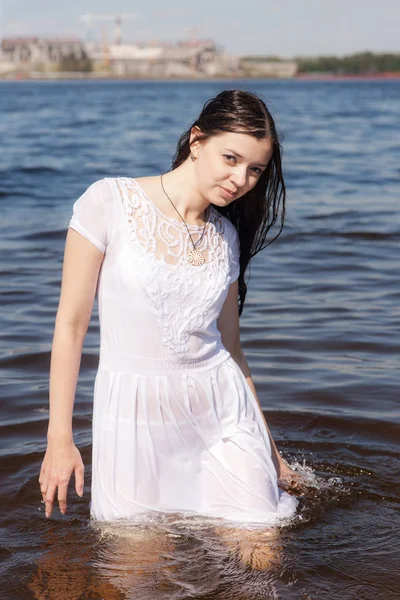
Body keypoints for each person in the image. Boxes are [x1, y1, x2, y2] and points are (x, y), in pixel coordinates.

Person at [39, 89, 300, 525]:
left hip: (222, 412)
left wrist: (271, 454)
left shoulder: (227, 237)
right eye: (231, 159)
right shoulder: (108, 202)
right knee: (139, 576)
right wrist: (59, 439)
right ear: (197, 142)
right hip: (135, 419)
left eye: (255, 169)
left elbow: (232, 349)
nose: (242, 180)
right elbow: (70, 326)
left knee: (260, 551)